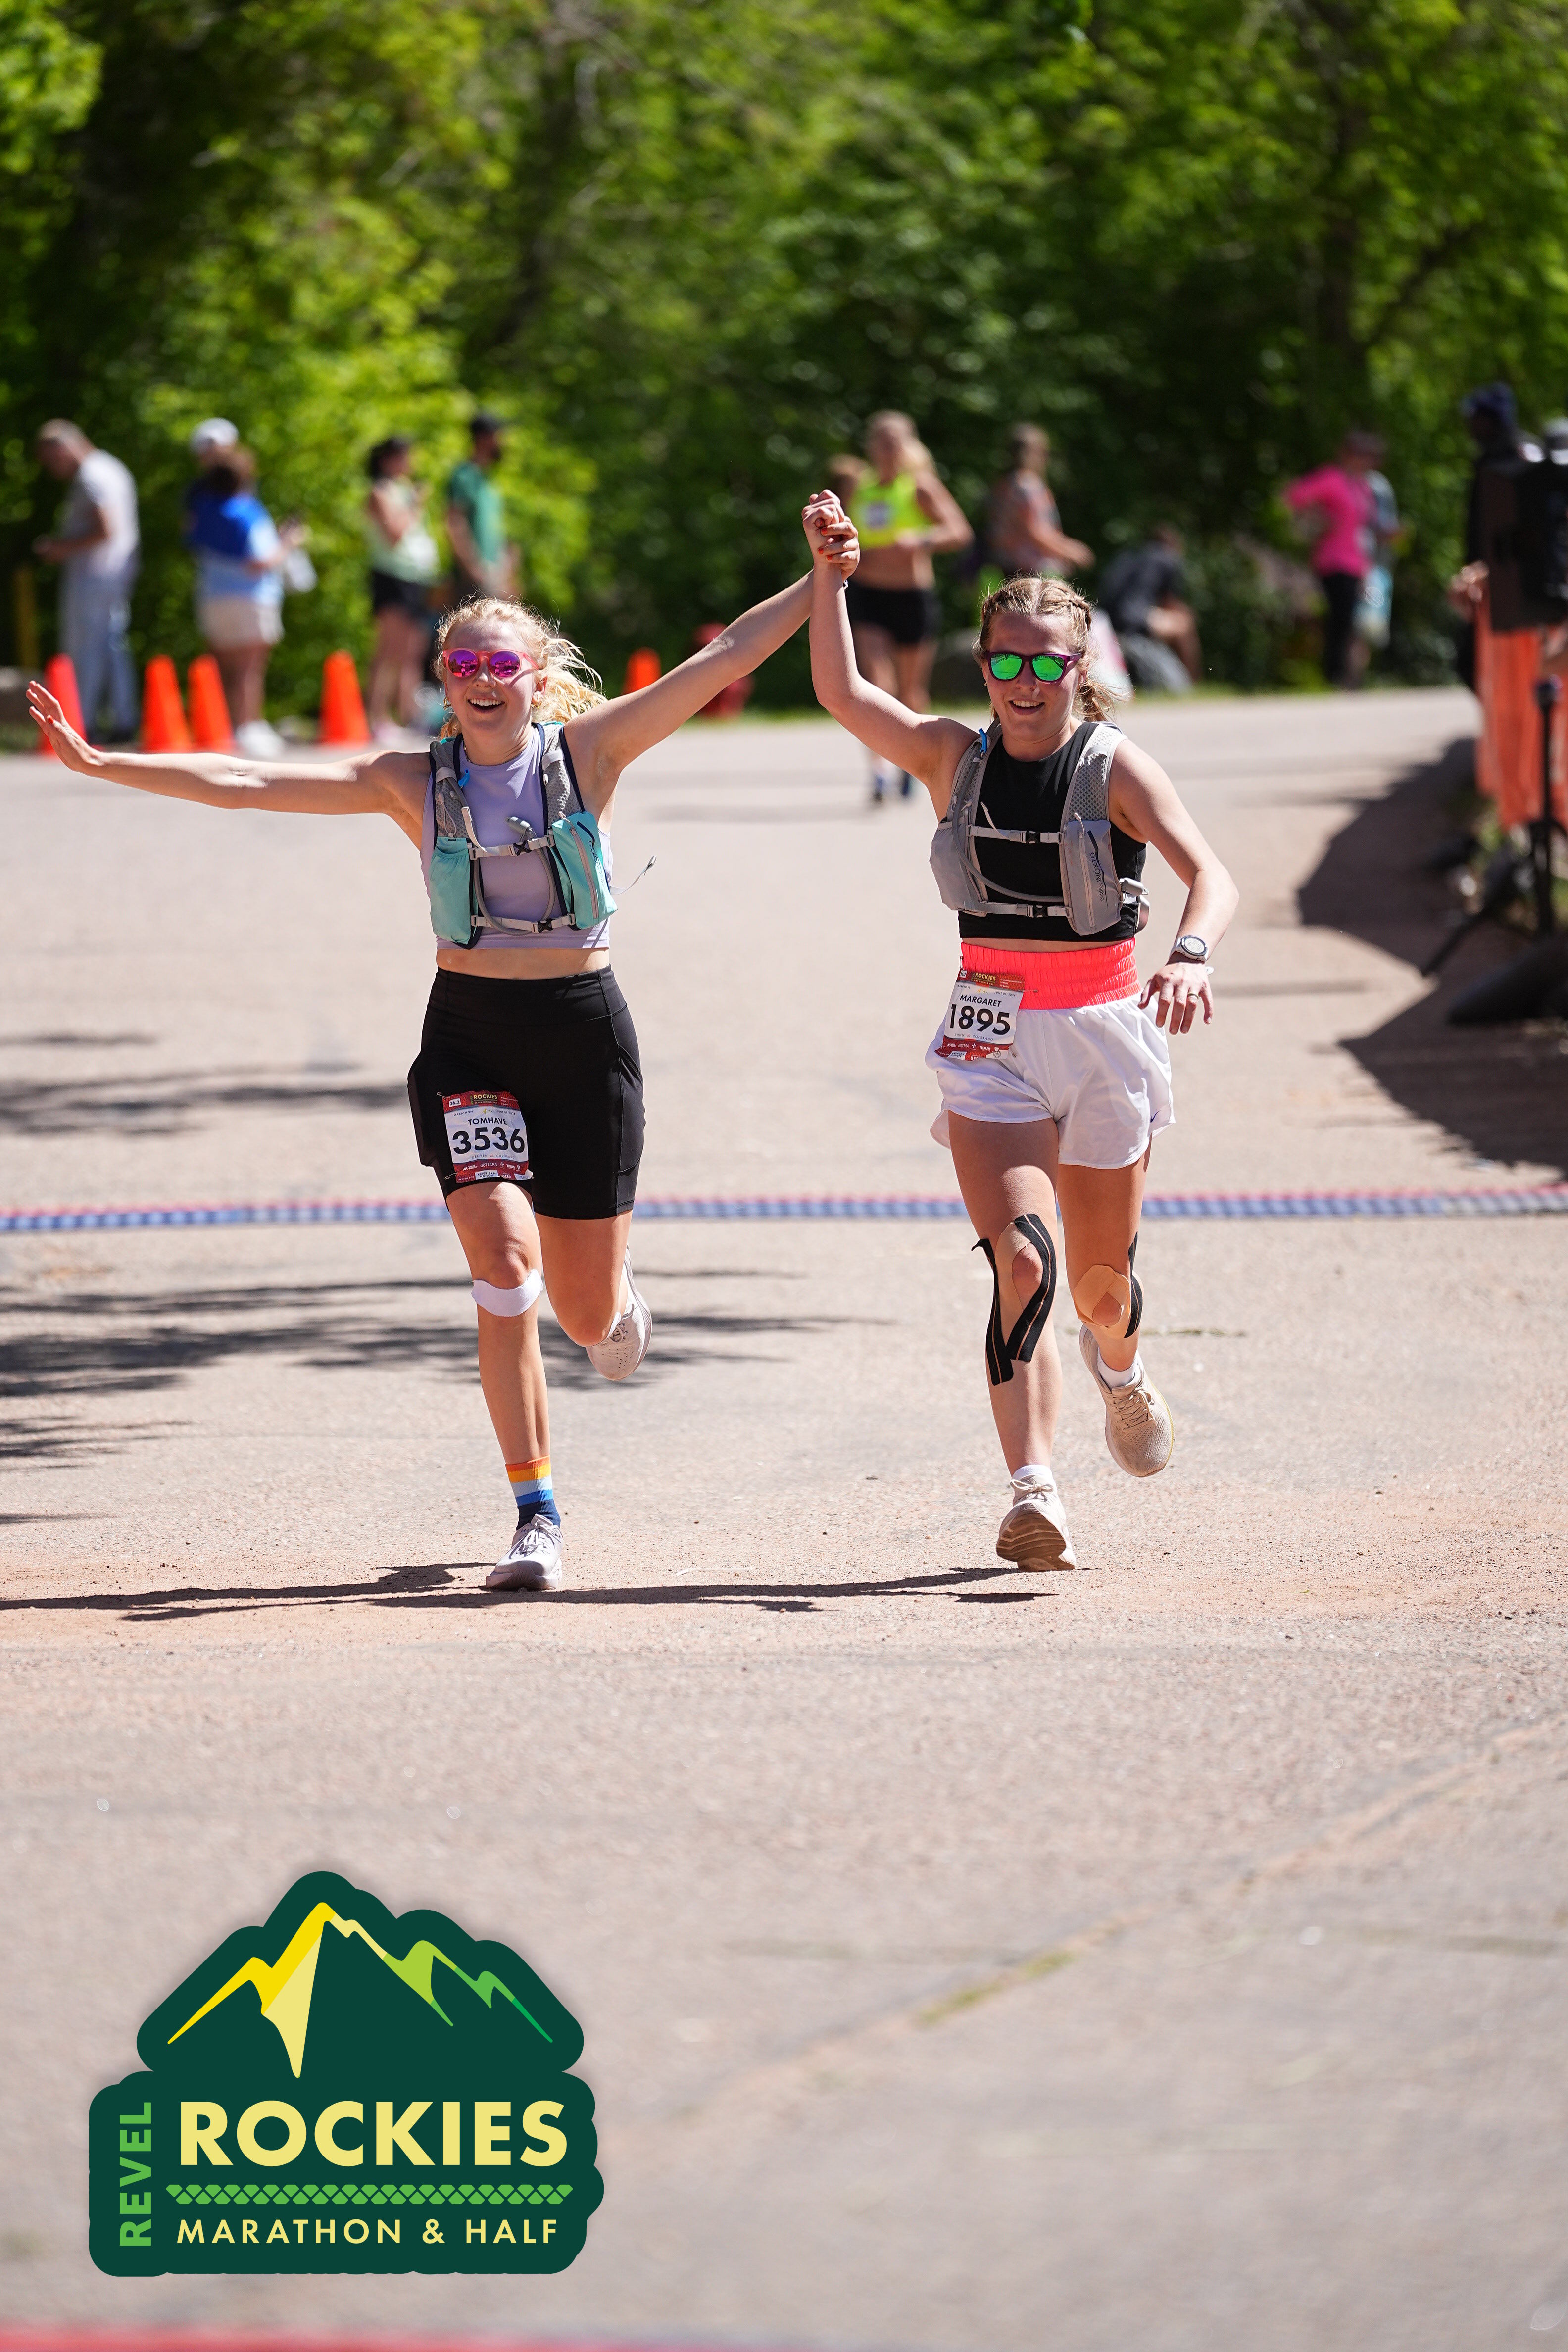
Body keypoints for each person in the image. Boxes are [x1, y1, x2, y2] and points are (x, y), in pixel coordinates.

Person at [28, 531, 855, 1597]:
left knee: (588, 1320)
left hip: (583, 1033)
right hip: (469, 1038)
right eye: (461, 664)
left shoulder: (589, 753)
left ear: (537, 678)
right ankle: (536, 1514)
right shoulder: (409, 780)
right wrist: (105, 763)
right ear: (442, 682)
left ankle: (614, 1300)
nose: (480, 680)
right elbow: (244, 778)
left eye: (501, 663)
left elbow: (725, 656)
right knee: (503, 1271)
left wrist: (820, 576)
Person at [803, 492, 1237, 1573]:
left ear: (1080, 667)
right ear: (984, 664)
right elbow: (842, 692)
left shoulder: (1113, 767)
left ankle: (1120, 1369)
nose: (1025, 682)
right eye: (1006, 662)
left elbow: (1209, 873)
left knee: (1098, 1289)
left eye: (1047, 663)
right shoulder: (953, 756)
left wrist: (1190, 953)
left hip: (1100, 1031)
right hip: (991, 1037)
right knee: (1023, 1265)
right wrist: (830, 579)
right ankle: (1032, 1491)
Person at [845, 410, 972, 802]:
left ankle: (912, 763)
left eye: (894, 442)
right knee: (875, 684)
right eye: (880, 441)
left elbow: (959, 532)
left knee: (911, 693)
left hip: (912, 597)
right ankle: (879, 772)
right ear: (870, 446)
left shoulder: (920, 487)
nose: (886, 449)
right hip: (868, 594)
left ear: (908, 445)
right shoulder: (861, 488)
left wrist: (920, 540)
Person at [184, 445, 304, 757]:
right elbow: (261, 561)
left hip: (213, 597)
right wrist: (288, 543)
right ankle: (249, 727)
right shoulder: (249, 512)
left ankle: (222, 728)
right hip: (252, 597)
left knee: (223, 668)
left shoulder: (203, 510)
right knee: (250, 670)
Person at [33, 420, 141, 743]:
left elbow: (105, 529)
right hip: (115, 572)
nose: (54, 469)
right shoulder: (112, 468)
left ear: (63, 449)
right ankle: (123, 719)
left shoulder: (91, 476)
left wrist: (60, 549)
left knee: (86, 650)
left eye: (52, 460)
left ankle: (85, 721)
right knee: (112, 645)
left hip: (94, 576)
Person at [1283, 431, 1381, 688]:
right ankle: (1335, 674)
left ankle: (1345, 674)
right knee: (1342, 616)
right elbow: (1294, 496)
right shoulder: (1331, 478)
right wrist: (1317, 517)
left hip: (1357, 564)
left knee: (1352, 619)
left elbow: (1364, 529)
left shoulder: (1363, 488)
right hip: (1333, 561)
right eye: (1359, 454)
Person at [365, 437, 441, 740]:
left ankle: (409, 718)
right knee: (389, 649)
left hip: (416, 577)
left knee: (412, 651)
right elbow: (394, 534)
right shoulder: (380, 492)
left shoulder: (402, 490)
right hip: (392, 576)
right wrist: (414, 504)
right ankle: (377, 718)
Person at [1099, 526, 1202, 692]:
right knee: (1184, 623)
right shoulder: (1166, 559)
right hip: (1135, 620)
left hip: (1107, 621)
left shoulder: (1129, 556)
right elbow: (1171, 604)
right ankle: (1193, 682)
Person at [985, 426, 1092, 580]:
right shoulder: (1028, 486)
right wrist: (1070, 551)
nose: (1046, 458)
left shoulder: (1003, 485)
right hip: (1029, 572)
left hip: (1003, 566)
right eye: (1043, 452)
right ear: (1029, 453)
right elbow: (1035, 532)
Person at [446, 412, 517, 604]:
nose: (504, 442)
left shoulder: (488, 481)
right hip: (474, 581)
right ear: (485, 438)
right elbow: (454, 522)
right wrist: (473, 568)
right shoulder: (464, 476)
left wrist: (507, 572)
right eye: (500, 436)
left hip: (495, 578)